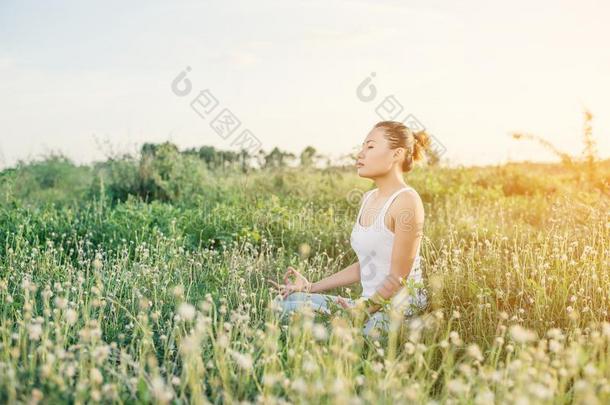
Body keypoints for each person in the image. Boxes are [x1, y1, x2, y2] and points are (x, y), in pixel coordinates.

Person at [268, 121, 430, 337]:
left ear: (396, 154)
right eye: (362, 147)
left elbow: (398, 278)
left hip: (399, 310)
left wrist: (361, 312)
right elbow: (367, 265)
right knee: (286, 303)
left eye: (370, 147)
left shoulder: (406, 201)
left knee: (344, 337)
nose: (360, 154)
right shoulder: (368, 198)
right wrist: (310, 287)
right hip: (368, 306)